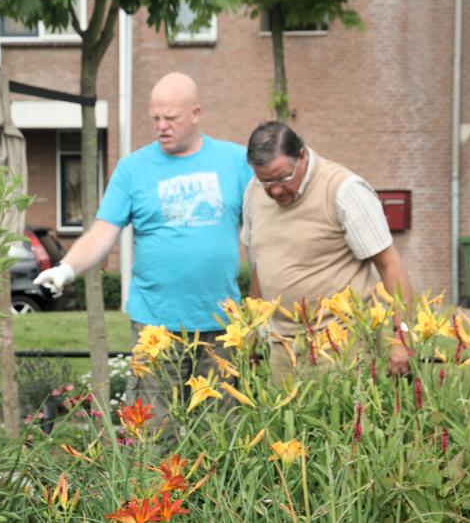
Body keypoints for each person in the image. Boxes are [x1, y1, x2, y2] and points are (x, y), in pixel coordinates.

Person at [34, 72, 253, 430]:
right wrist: (66, 268)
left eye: (172, 118)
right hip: (156, 326)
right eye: (155, 118)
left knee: (220, 431)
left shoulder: (234, 162)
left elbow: (266, 222)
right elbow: (103, 231)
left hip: (220, 326)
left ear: (196, 113)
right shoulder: (133, 169)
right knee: (153, 431)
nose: (161, 127)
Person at [241, 121, 413, 382]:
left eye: (283, 177)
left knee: (346, 421)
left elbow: (391, 266)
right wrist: (250, 332)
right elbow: (259, 266)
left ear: (301, 154)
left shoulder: (344, 189)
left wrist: (401, 338)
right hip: (281, 347)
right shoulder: (254, 193)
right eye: (266, 181)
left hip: (342, 344)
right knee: (285, 423)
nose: (275, 190)